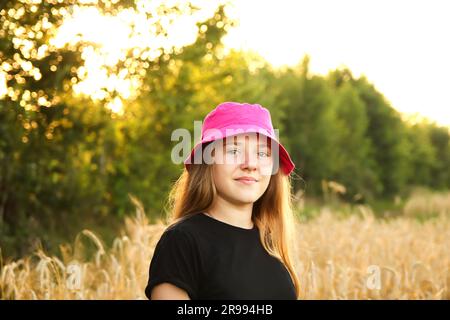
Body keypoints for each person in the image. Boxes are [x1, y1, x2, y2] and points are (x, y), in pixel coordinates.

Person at [145, 101, 300, 300]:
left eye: (262, 153)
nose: (250, 164)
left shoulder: (269, 239)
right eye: (233, 151)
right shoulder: (182, 241)